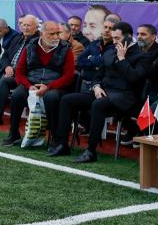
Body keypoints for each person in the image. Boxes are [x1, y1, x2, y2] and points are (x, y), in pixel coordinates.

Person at [49, 21, 145, 162]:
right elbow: (98, 75)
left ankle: (91, 150)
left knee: (98, 105)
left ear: (129, 36)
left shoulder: (141, 55)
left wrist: (122, 59)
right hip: (102, 92)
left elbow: (134, 78)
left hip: (124, 97)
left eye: (117, 39)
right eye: (113, 38)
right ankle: (62, 143)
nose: (114, 42)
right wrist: (96, 86)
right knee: (67, 100)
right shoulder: (110, 50)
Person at [0, 20, 76, 148]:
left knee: (51, 97)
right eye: (52, 34)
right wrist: (29, 86)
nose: (56, 37)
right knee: (17, 95)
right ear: (42, 34)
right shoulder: (30, 46)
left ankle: (54, 137)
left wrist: (49, 87)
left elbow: (69, 76)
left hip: (55, 85)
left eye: (58, 33)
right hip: (31, 83)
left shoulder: (65, 49)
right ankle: (13, 133)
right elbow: (19, 71)